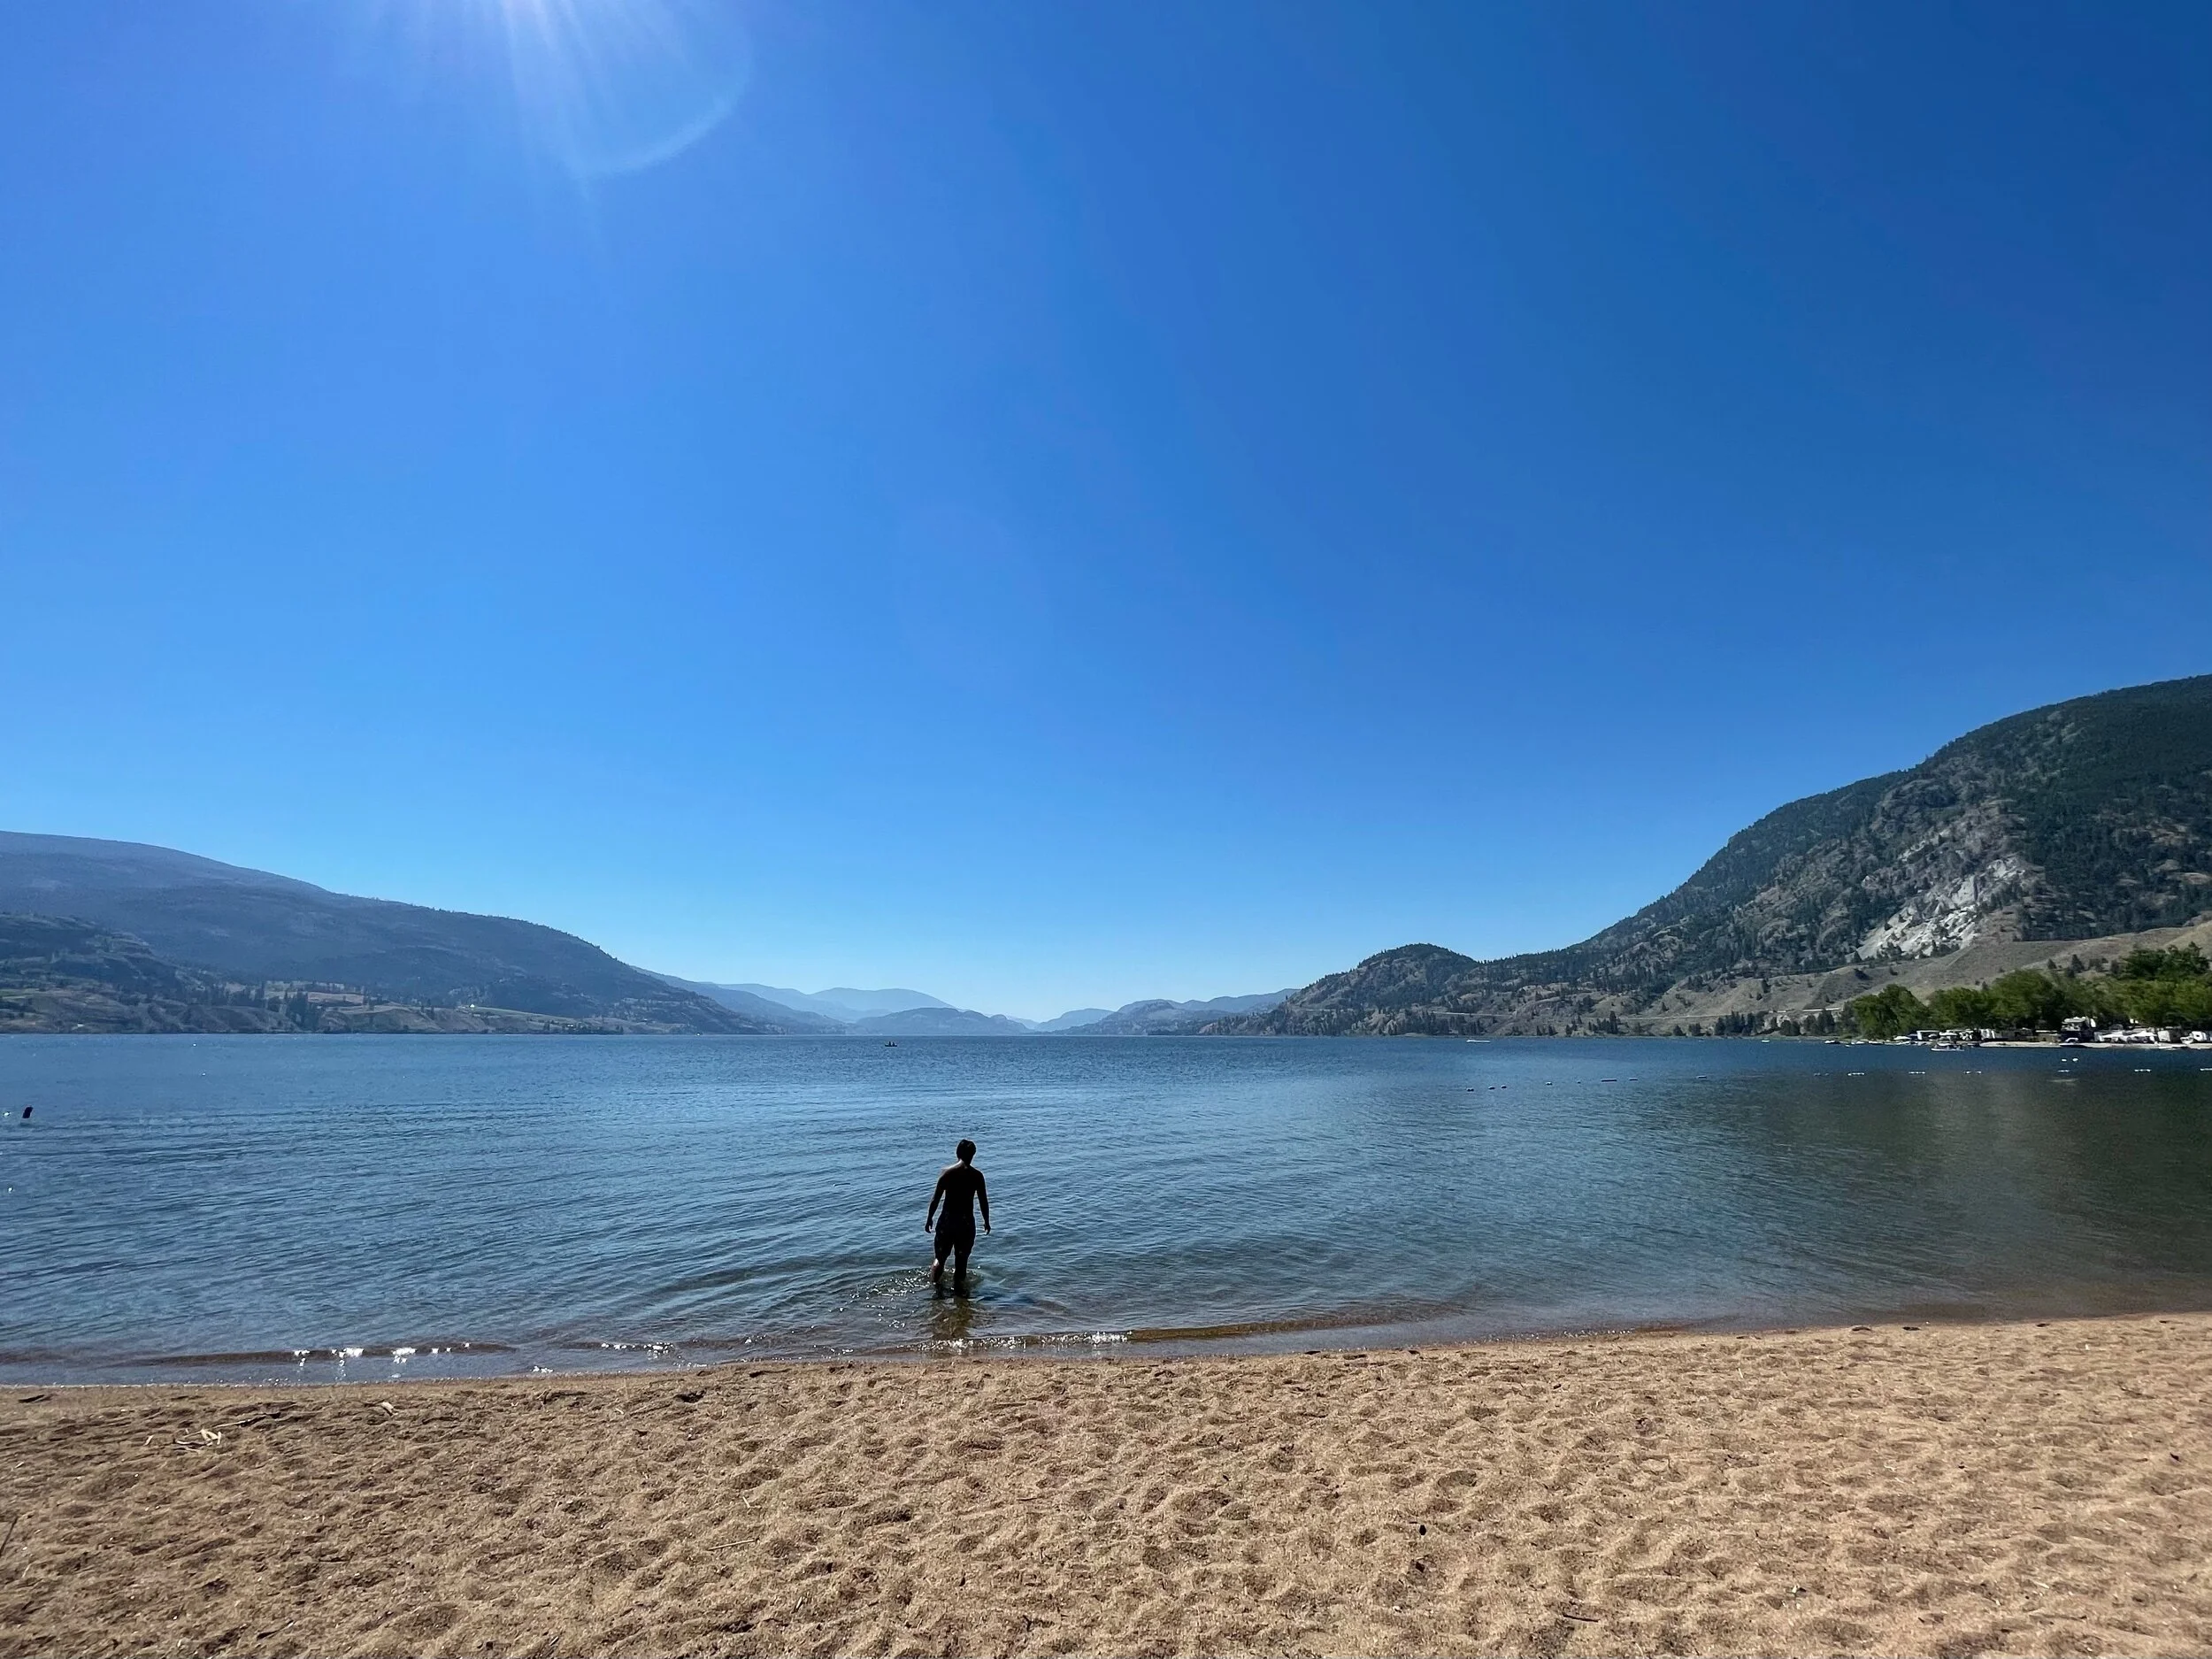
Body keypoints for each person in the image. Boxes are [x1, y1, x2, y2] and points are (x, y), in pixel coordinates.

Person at [925, 1139, 990, 1289]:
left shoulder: (947, 1173)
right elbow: (983, 1201)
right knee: (962, 1262)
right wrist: (986, 1221)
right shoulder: (977, 1176)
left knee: (940, 1258)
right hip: (966, 1223)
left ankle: (935, 1291)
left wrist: (929, 1218)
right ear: (973, 1155)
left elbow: (935, 1199)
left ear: (957, 1153)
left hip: (947, 1221)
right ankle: (959, 1296)